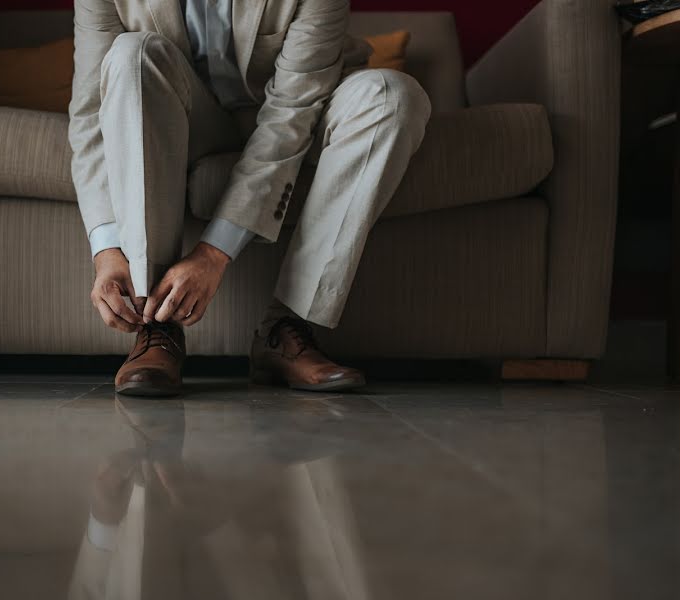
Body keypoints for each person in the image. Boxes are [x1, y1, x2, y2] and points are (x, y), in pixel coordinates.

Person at [68, 0, 431, 396]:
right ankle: (156, 321)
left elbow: (289, 116)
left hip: (303, 112)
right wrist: (108, 252)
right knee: (131, 54)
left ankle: (285, 328)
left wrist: (212, 254)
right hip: (187, 119)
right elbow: (91, 112)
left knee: (392, 96)